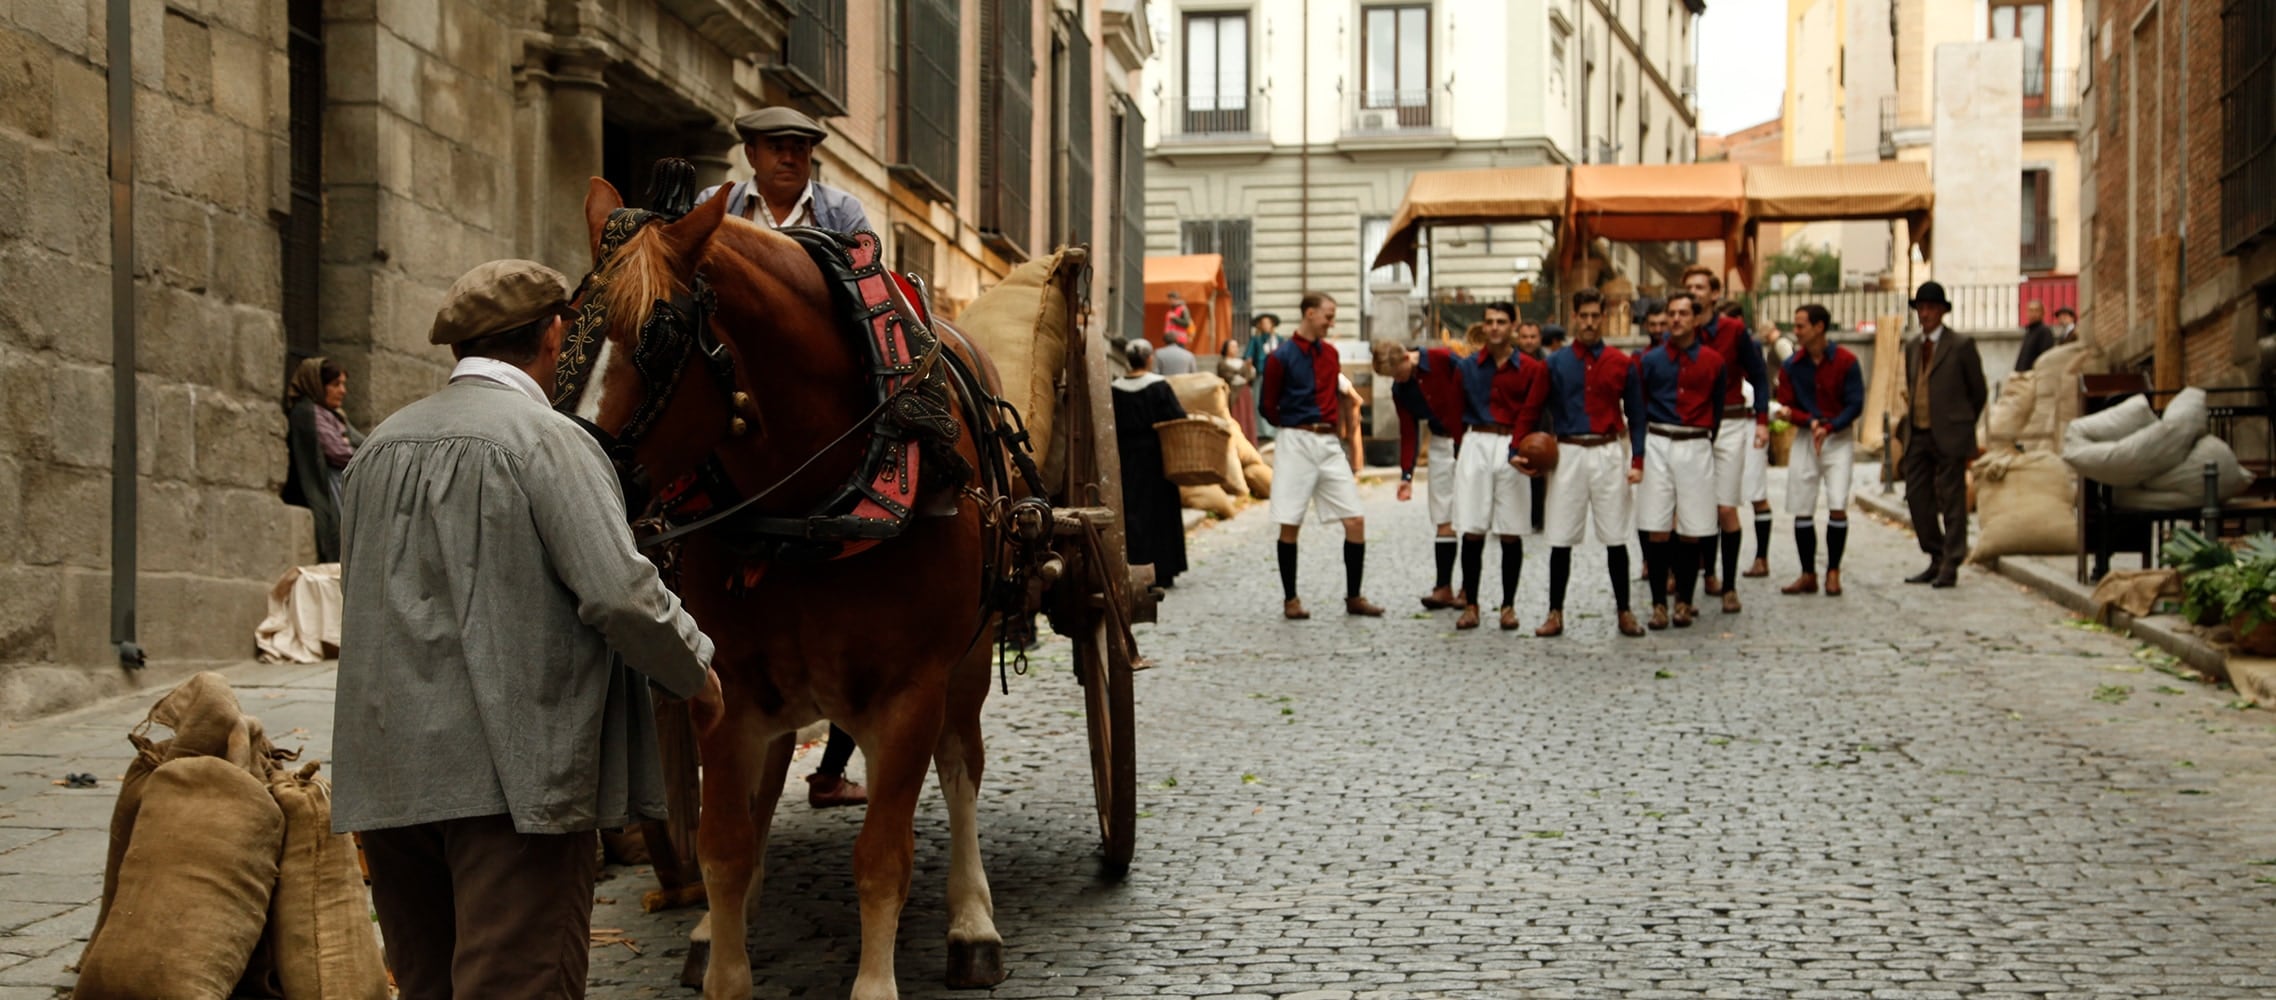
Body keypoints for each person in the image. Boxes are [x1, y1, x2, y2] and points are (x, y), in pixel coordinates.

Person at [333, 259, 722, 999]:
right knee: (518, 983)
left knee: (428, 983)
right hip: (512, 781)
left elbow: (366, 598)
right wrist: (695, 673)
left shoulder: (378, 448)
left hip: (389, 778)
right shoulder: (549, 442)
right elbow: (621, 594)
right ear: (554, 333)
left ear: (460, 349)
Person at [1260, 293, 1383, 619]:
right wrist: (1293, 426)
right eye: (1328, 316)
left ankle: (1354, 596)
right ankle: (1291, 600)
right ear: (1309, 313)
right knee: (1290, 521)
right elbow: (1268, 406)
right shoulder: (1280, 357)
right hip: (1296, 439)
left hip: (1329, 443)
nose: (1331, 322)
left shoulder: (1330, 354)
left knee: (1355, 518)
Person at [1533, 288, 1646, 639]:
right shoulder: (1554, 363)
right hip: (1567, 452)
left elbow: (1638, 416)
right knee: (1560, 536)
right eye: (1584, 316)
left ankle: (1624, 611)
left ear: (1604, 317)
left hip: (1608, 450)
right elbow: (1533, 407)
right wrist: (1520, 448)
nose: (1590, 323)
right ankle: (1555, 612)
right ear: (1574, 317)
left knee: (1616, 536)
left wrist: (1637, 458)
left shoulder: (1621, 363)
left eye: (1596, 316)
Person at [1634, 292, 1728, 629]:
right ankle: (1659, 603)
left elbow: (1717, 410)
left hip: (1696, 442)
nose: (1675, 319)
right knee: (1657, 526)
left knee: (1693, 528)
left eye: (1683, 313)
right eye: (1671, 313)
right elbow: (1639, 406)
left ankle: (1684, 602)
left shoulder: (1714, 362)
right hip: (1659, 439)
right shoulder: (1650, 361)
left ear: (1696, 318)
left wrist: (1704, 439)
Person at [1452, 302, 1547, 632]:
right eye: (1489, 321)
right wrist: (1459, 448)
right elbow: (1454, 409)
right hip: (1476, 441)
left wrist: (1519, 448)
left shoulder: (1532, 369)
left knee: (1511, 529)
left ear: (1513, 327)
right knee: (1472, 529)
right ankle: (1472, 604)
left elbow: (1531, 411)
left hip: (1513, 444)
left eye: (1501, 322)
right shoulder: (1466, 367)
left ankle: (1508, 606)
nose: (1494, 327)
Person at [1681, 265, 1769, 612]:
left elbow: (1759, 376)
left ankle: (1730, 585)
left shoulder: (1733, 331)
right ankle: (1704, 576)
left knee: (1724, 506)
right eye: (1689, 287)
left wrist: (1762, 421)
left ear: (1714, 294)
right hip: (1692, 426)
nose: (1694, 292)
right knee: (1690, 506)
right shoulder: (1679, 329)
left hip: (1731, 422)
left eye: (1700, 287)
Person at [1899, 281, 1988, 588]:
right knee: (1916, 497)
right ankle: (1936, 555)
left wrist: (1961, 423)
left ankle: (1952, 561)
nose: (1925, 314)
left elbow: (1979, 391)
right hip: (1919, 433)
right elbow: (1913, 386)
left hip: (1950, 433)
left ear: (1941, 312)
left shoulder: (1961, 345)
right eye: (1921, 308)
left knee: (1952, 500)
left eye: (1931, 308)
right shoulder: (1912, 346)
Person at [1372, 335, 1469, 610]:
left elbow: (1475, 385)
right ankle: (1443, 587)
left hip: (1469, 438)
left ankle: (1468, 589)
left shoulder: (1443, 360)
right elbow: (1409, 431)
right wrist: (1406, 476)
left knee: (1472, 515)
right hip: (1439, 443)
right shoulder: (1401, 390)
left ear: (1406, 358)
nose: (1396, 380)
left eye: (1396, 373)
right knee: (1443, 515)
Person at [1777, 303, 1864, 598]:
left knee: (1838, 502)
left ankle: (1833, 572)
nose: (1796, 331)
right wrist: (1811, 422)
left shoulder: (1846, 361)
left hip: (1837, 437)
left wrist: (1829, 426)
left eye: (1801, 325)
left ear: (1819, 327)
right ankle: (1807, 573)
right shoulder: (1791, 366)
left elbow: (1855, 403)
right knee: (1802, 504)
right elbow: (1787, 405)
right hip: (1806, 436)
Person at [696, 107, 870, 231]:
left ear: (810, 153)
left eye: (799, 149)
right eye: (776, 148)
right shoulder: (715, 203)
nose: (788, 159)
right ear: (751, 155)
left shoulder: (843, 212)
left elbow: (867, 279)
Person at [1112, 340, 1191, 589]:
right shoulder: (1159, 387)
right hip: (1156, 456)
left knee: (1133, 510)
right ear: (1149, 359)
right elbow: (1177, 417)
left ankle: (1135, 565)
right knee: (1159, 512)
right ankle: (1163, 569)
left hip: (1125, 458)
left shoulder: (1115, 389)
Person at [281, 356, 363, 563]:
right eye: (336, 385)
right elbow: (337, 451)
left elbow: (362, 444)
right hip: (327, 487)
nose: (343, 391)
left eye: (343, 384)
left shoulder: (335, 415)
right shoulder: (307, 413)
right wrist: (355, 450)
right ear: (318, 385)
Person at [1742, 312, 1794, 579]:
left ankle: (1762, 557)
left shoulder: (1776, 346)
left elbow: (1787, 367)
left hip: (1750, 425)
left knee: (1756, 493)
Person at [1243, 312, 1283, 439]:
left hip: (1277, 376)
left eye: (1268, 322)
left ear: (1272, 325)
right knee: (1259, 401)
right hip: (1261, 375)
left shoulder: (1279, 339)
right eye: (1263, 323)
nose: (1265, 325)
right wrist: (1249, 366)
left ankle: (1275, 430)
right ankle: (1261, 431)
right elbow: (1248, 356)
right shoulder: (1256, 340)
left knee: (1277, 401)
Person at [1217, 337, 1258, 442]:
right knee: (1236, 416)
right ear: (1226, 348)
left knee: (1246, 416)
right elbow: (1227, 377)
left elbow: (1249, 377)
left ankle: (1248, 440)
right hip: (1232, 393)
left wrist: (1250, 369)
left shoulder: (1242, 362)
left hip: (1245, 393)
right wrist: (1242, 378)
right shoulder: (1223, 363)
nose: (1235, 349)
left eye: (1236, 346)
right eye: (1232, 346)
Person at [2014, 300, 2054, 373]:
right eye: (2030, 310)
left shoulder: (2044, 331)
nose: (2033, 313)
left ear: (2042, 313)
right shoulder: (2029, 331)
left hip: (2033, 375)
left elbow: (2045, 356)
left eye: (2036, 311)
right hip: (2023, 375)